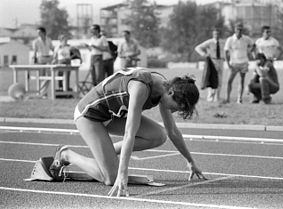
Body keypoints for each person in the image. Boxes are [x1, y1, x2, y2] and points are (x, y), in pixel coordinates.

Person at [49, 68, 207, 197]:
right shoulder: (141, 87)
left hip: (111, 115)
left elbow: (172, 131)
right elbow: (129, 133)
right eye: (175, 107)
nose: (172, 111)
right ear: (171, 93)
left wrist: (190, 161)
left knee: (160, 135)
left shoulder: (165, 88)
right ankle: (66, 154)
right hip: (90, 115)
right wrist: (122, 173)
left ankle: (109, 155)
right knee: (110, 178)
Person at [224, 23, 254, 104]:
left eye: (241, 29)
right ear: (235, 30)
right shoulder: (230, 39)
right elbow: (226, 52)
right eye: (238, 29)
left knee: (241, 81)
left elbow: (253, 45)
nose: (239, 31)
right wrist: (228, 63)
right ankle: (227, 98)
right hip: (233, 63)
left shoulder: (246, 39)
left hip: (244, 62)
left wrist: (249, 51)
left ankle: (239, 99)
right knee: (229, 81)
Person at [195, 28, 224, 103]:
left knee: (220, 80)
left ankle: (217, 97)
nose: (216, 35)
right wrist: (204, 54)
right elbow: (197, 48)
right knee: (212, 79)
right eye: (215, 34)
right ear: (213, 34)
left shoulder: (222, 42)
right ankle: (210, 97)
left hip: (221, 61)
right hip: (212, 61)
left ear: (219, 34)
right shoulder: (209, 42)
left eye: (218, 34)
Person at [32, 26, 54, 97]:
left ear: (44, 32)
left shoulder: (49, 40)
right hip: (40, 59)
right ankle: (42, 93)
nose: (38, 34)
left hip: (48, 59)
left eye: (40, 32)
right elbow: (35, 52)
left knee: (49, 76)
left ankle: (42, 92)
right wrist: (34, 60)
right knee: (41, 76)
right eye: (38, 33)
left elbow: (52, 48)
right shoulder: (36, 41)